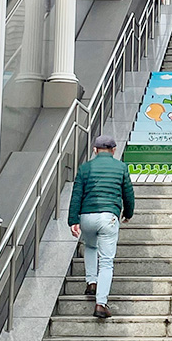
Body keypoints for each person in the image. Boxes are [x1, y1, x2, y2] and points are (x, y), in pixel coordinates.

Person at [68, 135, 135, 320]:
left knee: (90, 246)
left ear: (95, 150)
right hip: (108, 217)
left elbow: (76, 195)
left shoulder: (85, 168)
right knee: (106, 261)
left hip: (86, 217)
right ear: (114, 150)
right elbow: (128, 193)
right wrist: (128, 213)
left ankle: (91, 281)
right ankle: (101, 303)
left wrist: (73, 220)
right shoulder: (121, 167)